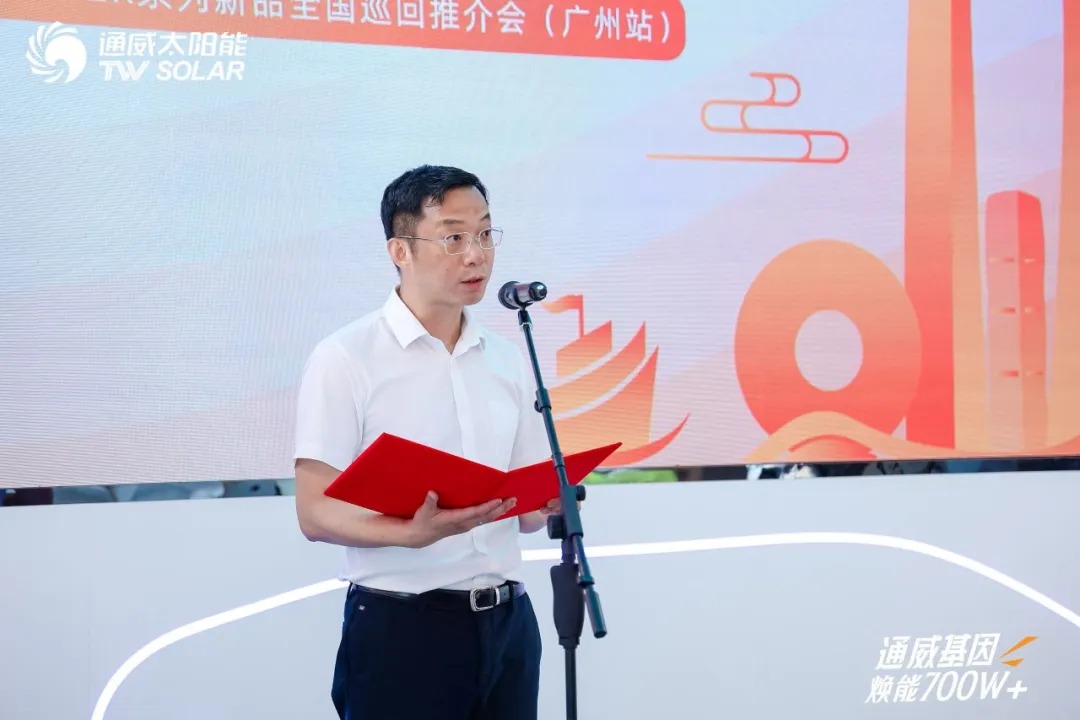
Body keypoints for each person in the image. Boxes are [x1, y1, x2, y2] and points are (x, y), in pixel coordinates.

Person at [293, 165, 558, 720]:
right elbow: (315, 513)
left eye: (485, 233)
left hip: (509, 624)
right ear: (400, 250)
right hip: (403, 629)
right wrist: (409, 534)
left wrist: (548, 501)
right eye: (453, 237)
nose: (476, 255)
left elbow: (527, 515)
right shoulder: (346, 357)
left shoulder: (507, 358)